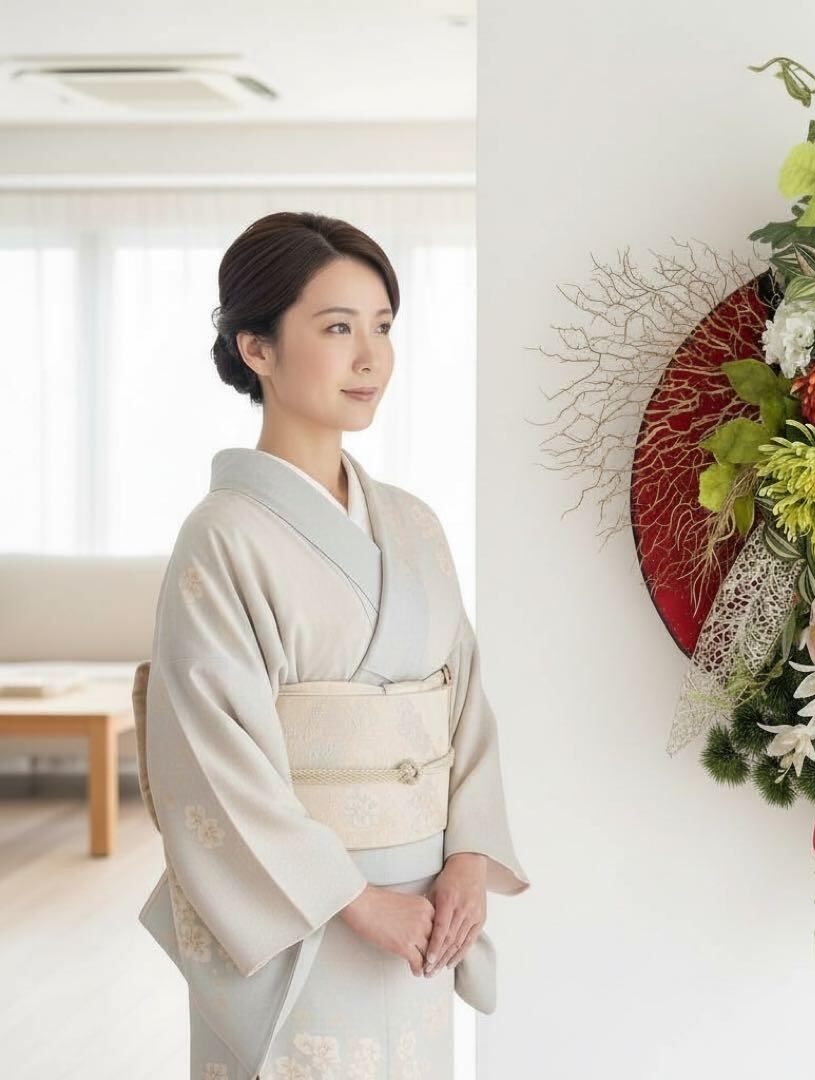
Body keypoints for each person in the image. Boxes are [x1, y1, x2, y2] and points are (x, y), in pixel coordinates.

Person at [132, 211, 529, 1080]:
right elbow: (209, 757)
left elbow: (465, 707)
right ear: (258, 349)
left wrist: (467, 858)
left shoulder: (414, 525)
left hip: (425, 906)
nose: (371, 357)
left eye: (383, 327)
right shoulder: (222, 536)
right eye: (338, 328)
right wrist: (352, 899)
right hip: (304, 916)